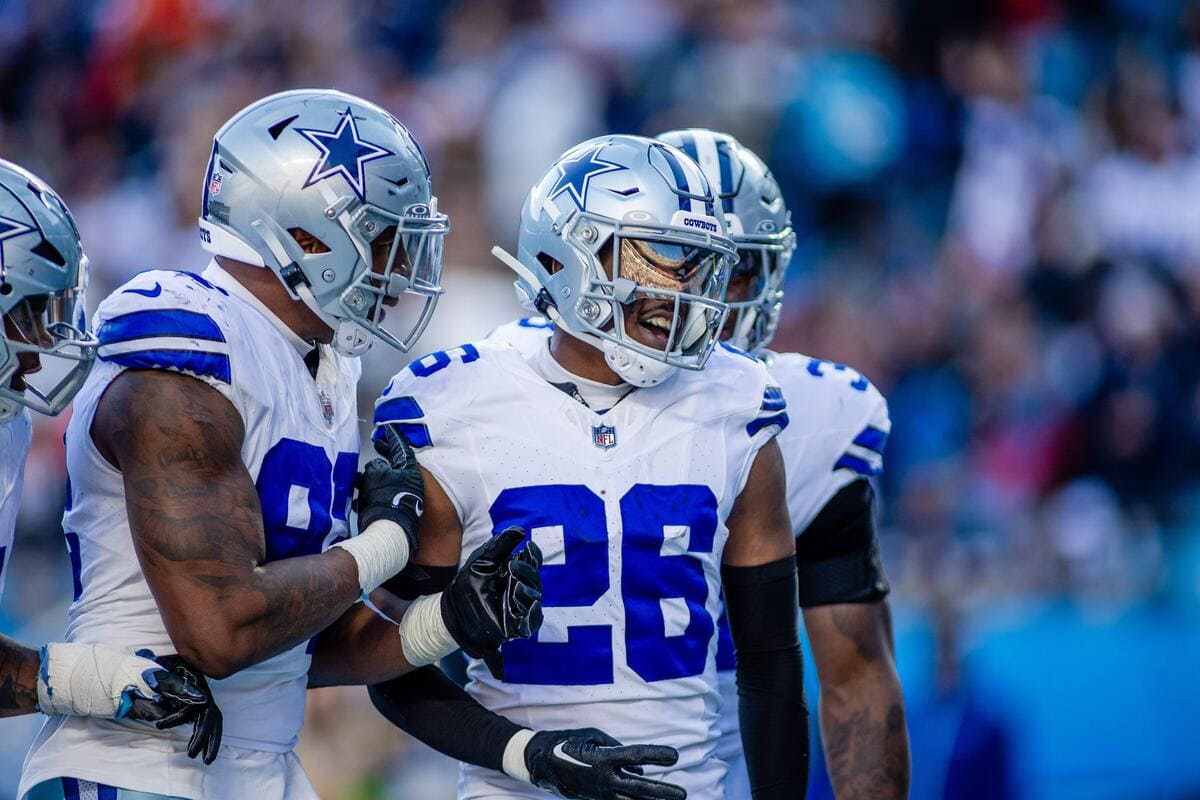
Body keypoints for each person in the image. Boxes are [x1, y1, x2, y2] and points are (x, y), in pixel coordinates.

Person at [19, 89, 542, 800]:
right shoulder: (185, 347)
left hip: (263, 767)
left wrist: (447, 621)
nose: (402, 263)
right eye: (383, 234)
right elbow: (222, 632)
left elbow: (300, 641)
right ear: (303, 234)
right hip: (137, 768)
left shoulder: (323, 362)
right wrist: (388, 540)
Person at [370, 134, 808, 799]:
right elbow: (387, 661)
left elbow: (772, 663)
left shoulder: (736, 401)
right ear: (568, 253)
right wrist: (526, 754)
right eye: (659, 259)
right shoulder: (451, 404)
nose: (682, 289)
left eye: (693, 265)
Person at [656, 128, 910, 800]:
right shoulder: (520, 394)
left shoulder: (808, 417)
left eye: (733, 266)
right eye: (684, 261)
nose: (708, 294)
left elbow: (855, 671)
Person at [0, 158, 220, 761]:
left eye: (51, 311)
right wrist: (80, 678)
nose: (45, 340)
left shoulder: (7, 423)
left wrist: (100, 680)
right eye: (26, 313)